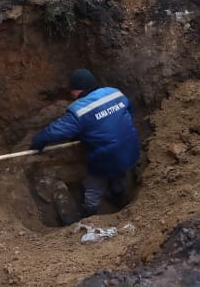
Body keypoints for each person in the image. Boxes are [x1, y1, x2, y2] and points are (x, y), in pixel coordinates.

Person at [30, 68, 140, 223]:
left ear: (78, 91)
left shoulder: (79, 110)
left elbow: (55, 132)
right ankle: (119, 198)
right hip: (131, 149)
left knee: (93, 186)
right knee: (119, 175)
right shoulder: (115, 93)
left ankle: (89, 215)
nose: (72, 95)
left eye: (72, 92)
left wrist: (38, 142)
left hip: (105, 159)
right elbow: (130, 113)